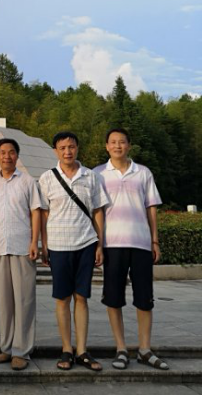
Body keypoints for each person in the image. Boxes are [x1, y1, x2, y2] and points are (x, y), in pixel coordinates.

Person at [94, 128, 169, 372]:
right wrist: (98, 244)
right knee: (113, 298)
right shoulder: (98, 174)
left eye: (122, 142)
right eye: (113, 142)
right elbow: (96, 212)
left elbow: (151, 208)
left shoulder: (143, 172)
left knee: (145, 298)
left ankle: (145, 349)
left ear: (129, 145)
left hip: (140, 243)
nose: (117, 146)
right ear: (106, 146)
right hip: (112, 244)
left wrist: (154, 241)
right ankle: (121, 348)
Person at [39, 132, 108, 373]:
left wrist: (100, 243)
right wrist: (44, 244)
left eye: (71, 147)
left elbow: (98, 211)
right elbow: (44, 214)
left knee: (81, 297)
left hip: (86, 243)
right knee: (62, 299)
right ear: (55, 150)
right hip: (58, 245)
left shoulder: (91, 176)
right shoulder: (47, 178)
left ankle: (82, 350)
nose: (67, 151)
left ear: (77, 148)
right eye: (62, 148)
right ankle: (67, 348)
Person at [0, 138, 42, 371]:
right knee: (5, 301)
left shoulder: (27, 181)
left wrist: (34, 242)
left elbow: (36, 212)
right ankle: (6, 347)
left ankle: (21, 350)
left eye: (12, 152)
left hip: (22, 246)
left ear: (17, 155)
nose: (7, 156)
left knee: (24, 300)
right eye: (3, 152)